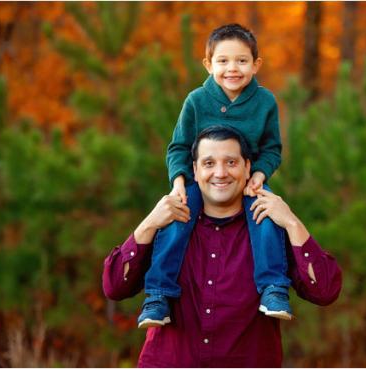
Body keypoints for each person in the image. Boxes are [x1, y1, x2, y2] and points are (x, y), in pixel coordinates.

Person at [103, 126, 342, 367]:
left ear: (248, 168)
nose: (220, 173)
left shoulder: (270, 231)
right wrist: (148, 224)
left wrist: (291, 222)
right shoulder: (169, 228)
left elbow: (325, 290)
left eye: (231, 162)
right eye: (208, 163)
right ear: (194, 170)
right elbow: (114, 286)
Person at [138, 24, 290, 328]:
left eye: (242, 61)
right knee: (177, 214)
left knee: (267, 214)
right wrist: (179, 181)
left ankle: (273, 288)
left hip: (248, 180)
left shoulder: (265, 102)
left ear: (256, 64)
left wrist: (260, 173)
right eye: (222, 61)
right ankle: (157, 295)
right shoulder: (196, 101)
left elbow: (272, 148)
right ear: (208, 65)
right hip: (201, 180)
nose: (232, 68)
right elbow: (178, 146)